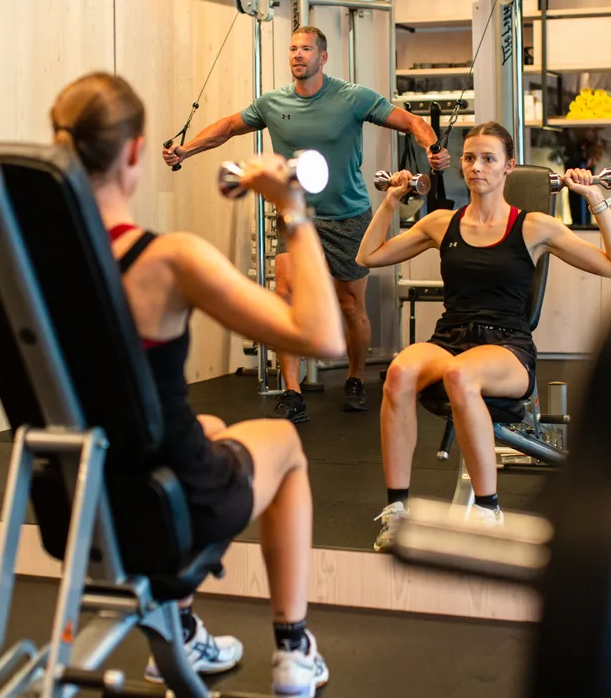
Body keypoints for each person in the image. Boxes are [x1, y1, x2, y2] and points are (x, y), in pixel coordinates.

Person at [0, 72, 347, 698]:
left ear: (59, 148)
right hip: (163, 508)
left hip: (69, 507)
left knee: (210, 428)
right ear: (133, 152)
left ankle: (180, 633)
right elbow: (323, 338)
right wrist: (291, 209)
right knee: (284, 444)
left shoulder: (11, 263)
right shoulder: (169, 260)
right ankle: (293, 651)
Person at [355, 121, 611, 552]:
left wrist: (597, 200)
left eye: (488, 159)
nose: (476, 167)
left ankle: (488, 512)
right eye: (469, 158)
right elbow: (367, 256)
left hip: (507, 345)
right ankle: (398, 510)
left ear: (509, 167)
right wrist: (391, 200)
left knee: (462, 376)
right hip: (450, 337)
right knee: (399, 372)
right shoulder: (440, 222)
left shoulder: (534, 226)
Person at [163, 26, 450, 422]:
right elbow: (228, 127)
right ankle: (293, 391)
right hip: (295, 217)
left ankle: (353, 378)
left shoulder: (353, 97)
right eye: (293, 49)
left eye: (306, 49)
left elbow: (410, 122)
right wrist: (185, 150)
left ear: (323, 57)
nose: (298, 55)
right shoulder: (272, 102)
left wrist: (433, 149)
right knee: (285, 299)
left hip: (349, 216)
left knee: (351, 306)